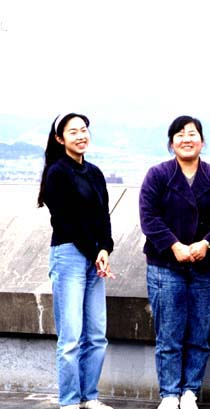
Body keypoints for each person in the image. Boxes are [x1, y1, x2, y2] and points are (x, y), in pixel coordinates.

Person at [139, 116, 210, 409]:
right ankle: (169, 393)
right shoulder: (158, 175)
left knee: (200, 334)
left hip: (204, 265)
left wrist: (206, 243)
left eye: (192, 134)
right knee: (169, 335)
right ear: (171, 142)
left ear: (202, 141)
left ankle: (190, 391)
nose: (186, 139)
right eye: (179, 134)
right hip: (165, 266)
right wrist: (174, 245)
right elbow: (148, 217)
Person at [38, 113, 115, 409]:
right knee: (70, 338)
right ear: (60, 138)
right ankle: (69, 401)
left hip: (95, 257)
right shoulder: (57, 173)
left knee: (96, 335)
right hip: (69, 255)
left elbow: (103, 216)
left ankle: (89, 396)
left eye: (84, 130)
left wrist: (105, 248)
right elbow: (65, 221)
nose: (81, 136)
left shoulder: (94, 172)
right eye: (73, 132)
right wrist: (95, 254)